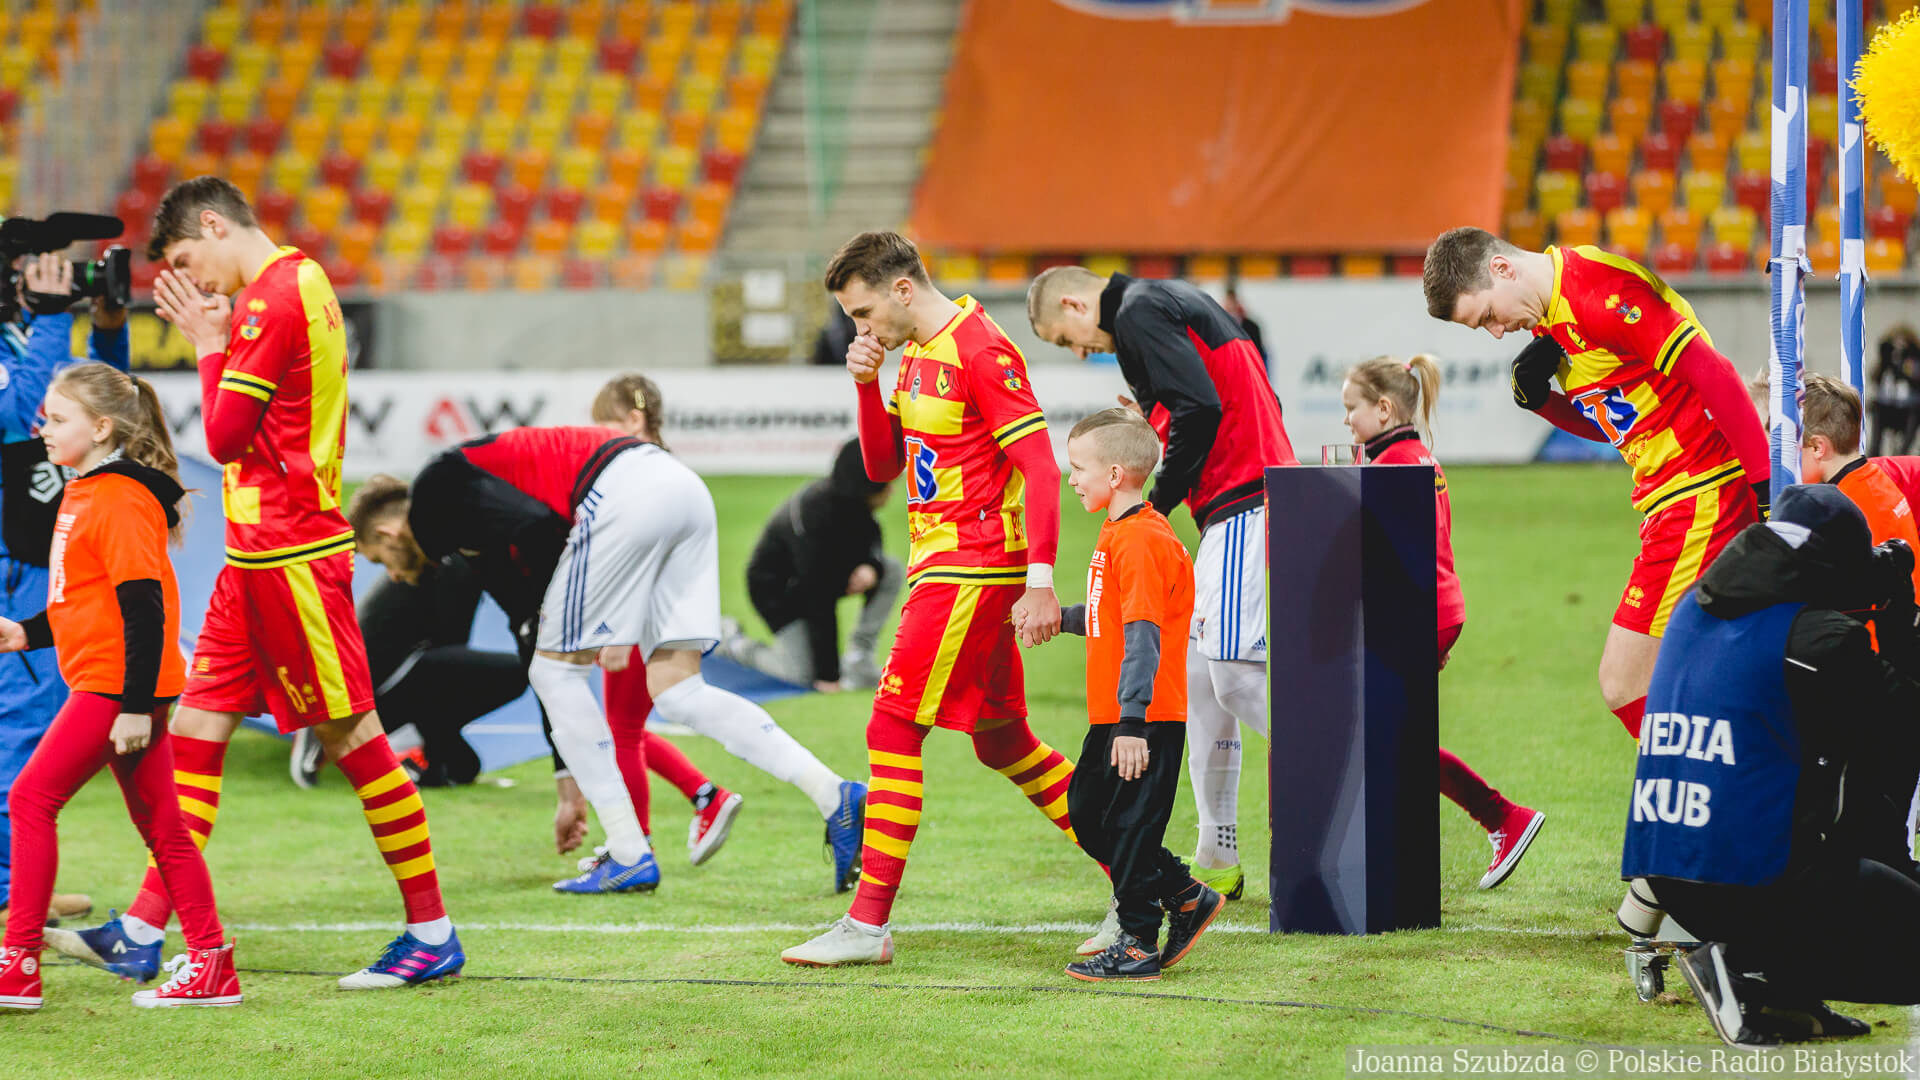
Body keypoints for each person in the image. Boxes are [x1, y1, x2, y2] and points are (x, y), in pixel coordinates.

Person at [49, 178, 462, 990]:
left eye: (185, 259)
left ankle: (432, 931)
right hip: (255, 560)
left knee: (354, 739)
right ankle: (142, 929)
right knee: (196, 730)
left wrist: (209, 342)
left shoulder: (272, 298)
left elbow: (228, 436)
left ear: (213, 225)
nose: (190, 280)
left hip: (292, 559)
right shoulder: (295, 284)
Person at [351, 420, 863, 895]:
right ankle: (833, 794)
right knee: (679, 692)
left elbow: (539, 527)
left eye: (380, 561)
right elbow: (528, 629)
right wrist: (566, 784)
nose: (392, 575)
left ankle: (628, 851)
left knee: (556, 672)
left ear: (387, 533)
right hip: (680, 490)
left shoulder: (434, 495)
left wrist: (595, 613)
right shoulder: (465, 525)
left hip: (621, 494)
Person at [782, 231, 1089, 967]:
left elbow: (1040, 468)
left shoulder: (980, 349)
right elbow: (881, 466)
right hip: (948, 566)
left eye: (862, 313)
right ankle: (1150, 877)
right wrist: (866, 385)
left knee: (891, 726)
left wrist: (1041, 581)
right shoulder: (916, 352)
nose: (859, 329)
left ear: (901, 289)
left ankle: (866, 926)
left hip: (969, 568)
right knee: (1003, 741)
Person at [1026, 264, 1300, 903]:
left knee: (1229, 671)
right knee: (1200, 677)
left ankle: (1340, 761)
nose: (1078, 350)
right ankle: (1217, 851)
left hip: (1241, 496)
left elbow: (1201, 407)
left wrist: (1159, 499)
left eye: (1065, 338)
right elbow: (1234, 393)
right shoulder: (1170, 299)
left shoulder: (1136, 313)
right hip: (1250, 492)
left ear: (1075, 304)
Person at [1626, 484, 1920, 1047]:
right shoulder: (1816, 639)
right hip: (1745, 879)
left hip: (1669, 866)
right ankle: (1742, 966)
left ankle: (1785, 998)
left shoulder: (1696, 605)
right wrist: (1899, 617)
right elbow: (1905, 723)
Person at [0, 363, 239, 1010]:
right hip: (118, 684)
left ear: (102, 427)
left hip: (116, 688)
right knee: (164, 826)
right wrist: (25, 633)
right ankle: (212, 966)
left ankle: (17, 964)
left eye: (58, 419)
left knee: (30, 799)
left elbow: (143, 608)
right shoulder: (89, 489)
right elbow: (86, 599)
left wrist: (135, 707)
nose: (43, 429)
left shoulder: (119, 496)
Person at [1340, 354, 1546, 888]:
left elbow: (1385, 559)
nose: (1346, 420)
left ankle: (1502, 817)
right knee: (1392, 736)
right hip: (1433, 610)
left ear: (1383, 409)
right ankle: (1406, 853)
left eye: (1352, 408)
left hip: (1415, 614)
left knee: (1391, 739)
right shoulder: (1420, 459)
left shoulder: (1390, 468)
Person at [1045, 408, 1223, 982]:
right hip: (1114, 713)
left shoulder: (1143, 539)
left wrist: (1131, 723)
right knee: (1088, 814)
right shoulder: (1118, 529)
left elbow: (1144, 636)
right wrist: (1060, 619)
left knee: (1129, 827)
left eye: (1080, 468)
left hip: (1143, 718)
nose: (1072, 478)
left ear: (1116, 474)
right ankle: (1185, 895)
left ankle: (1138, 943)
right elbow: (1112, 617)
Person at [0, 253, 129, 929]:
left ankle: (20, 882)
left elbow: (100, 407)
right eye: (23, 270)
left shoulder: (26, 339)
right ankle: (8, 893)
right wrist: (52, 318)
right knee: (20, 727)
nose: (39, 281)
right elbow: (22, 414)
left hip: (39, 555)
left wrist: (106, 329)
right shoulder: (25, 342)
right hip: (12, 562)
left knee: (34, 724)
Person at [713, 437, 901, 691]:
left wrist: (872, 566)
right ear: (866, 488)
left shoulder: (855, 504)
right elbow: (818, 597)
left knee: (890, 570)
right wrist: (828, 675)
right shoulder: (813, 514)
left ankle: (859, 660)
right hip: (775, 593)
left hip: (820, 580)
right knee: (800, 675)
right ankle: (732, 642)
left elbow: (870, 539)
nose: (892, 490)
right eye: (887, 484)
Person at [357, 553, 529, 787]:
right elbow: (452, 645)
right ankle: (403, 742)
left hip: (383, 688)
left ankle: (418, 744)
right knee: (516, 671)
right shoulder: (454, 562)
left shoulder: (450, 559)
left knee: (464, 767)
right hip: (380, 694)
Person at [1798, 374, 1920, 603]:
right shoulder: (1874, 481)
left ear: (1817, 447)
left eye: (1791, 449)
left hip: (1879, 624)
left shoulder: (1848, 508)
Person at [1869, 325, 1920, 457]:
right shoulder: (1886, 362)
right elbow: (1875, 380)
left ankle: (1903, 453)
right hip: (1888, 409)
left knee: (1915, 411)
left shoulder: (1914, 361)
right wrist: (1885, 362)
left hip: (1908, 412)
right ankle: (1874, 452)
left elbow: (1916, 382)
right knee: (1876, 407)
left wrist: (1904, 370)